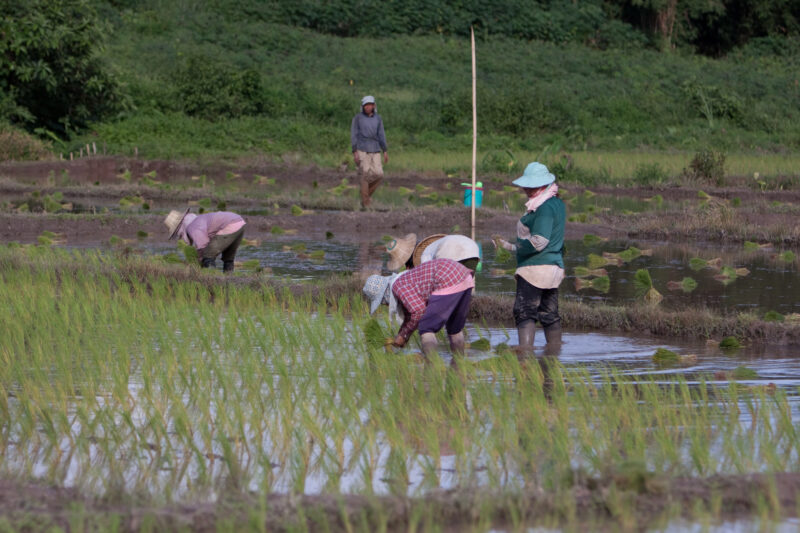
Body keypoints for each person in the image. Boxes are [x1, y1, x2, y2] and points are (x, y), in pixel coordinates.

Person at [493, 162, 565, 351]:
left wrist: (512, 246)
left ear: (543, 185)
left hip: (535, 269)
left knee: (524, 311)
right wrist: (508, 245)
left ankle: (524, 353)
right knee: (549, 314)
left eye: (532, 186)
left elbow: (539, 241)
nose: (526, 189)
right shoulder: (556, 203)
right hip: (553, 268)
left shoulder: (545, 208)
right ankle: (554, 352)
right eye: (526, 185)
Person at [363, 258, 474, 357]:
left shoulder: (398, 286)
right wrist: (403, 336)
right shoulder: (404, 279)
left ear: (385, 294)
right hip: (465, 277)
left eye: (383, 302)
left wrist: (403, 336)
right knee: (454, 329)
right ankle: (459, 365)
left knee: (426, 327)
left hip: (447, 278)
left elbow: (419, 311)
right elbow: (411, 315)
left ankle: (430, 367)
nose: (386, 304)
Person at [164, 208, 246, 273]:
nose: (179, 236)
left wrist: (199, 262)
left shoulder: (192, 227)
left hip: (230, 224)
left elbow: (203, 245)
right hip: (239, 222)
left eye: (177, 233)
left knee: (208, 255)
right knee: (228, 258)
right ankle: (229, 279)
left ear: (180, 226)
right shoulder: (198, 220)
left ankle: (211, 280)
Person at [351, 95, 388, 208]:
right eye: (366, 105)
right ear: (363, 106)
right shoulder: (358, 118)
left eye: (370, 105)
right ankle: (366, 203)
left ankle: (365, 196)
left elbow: (381, 134)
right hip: (362, 148)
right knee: (365, 174)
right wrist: (355, 151)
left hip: (375, 148)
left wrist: (385, 150)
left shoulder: (378, 118)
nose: (368, 107)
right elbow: (354, 134)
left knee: (379, 174)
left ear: (374, 106)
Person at [384, 233, 481, 272]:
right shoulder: (432, 247)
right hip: (472, 247)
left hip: (452, 252)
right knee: (467, 284)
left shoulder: (424, 259)